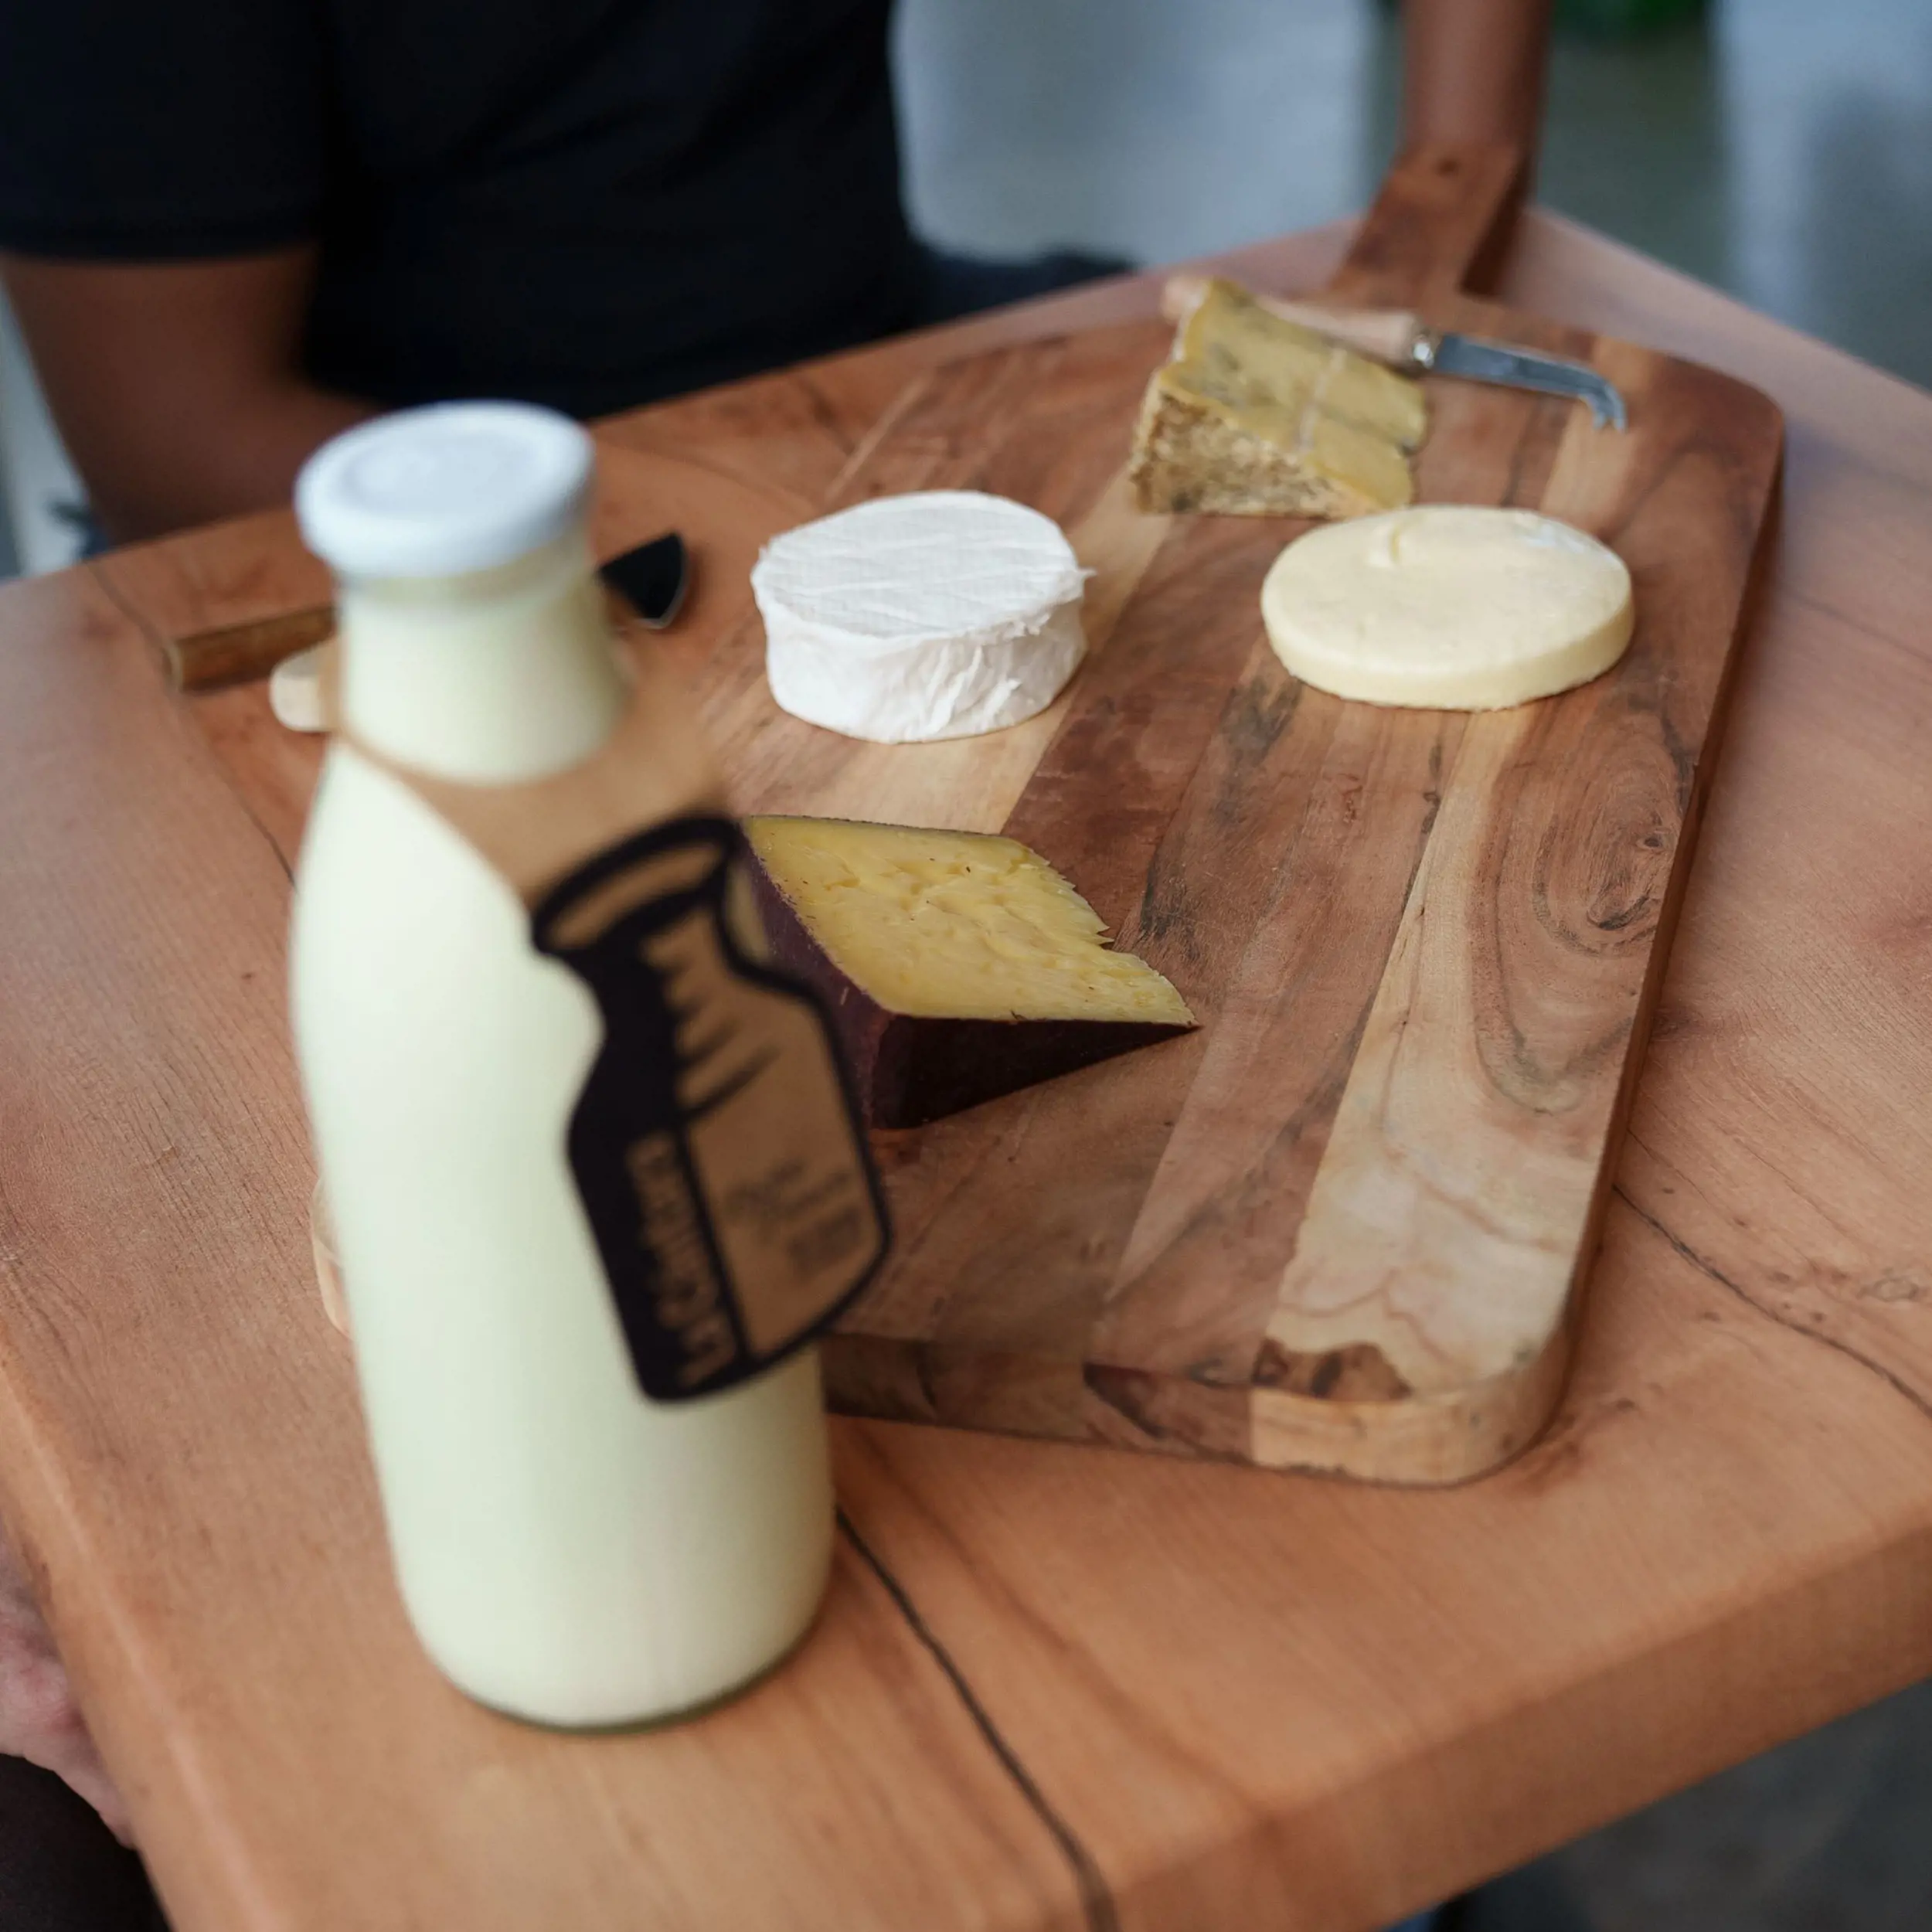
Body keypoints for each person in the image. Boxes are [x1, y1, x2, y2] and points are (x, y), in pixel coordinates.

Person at [0, 0, 1552, 1919]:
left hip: (864, 354)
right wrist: (695, 537)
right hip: (403, 544)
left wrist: (1452, 189)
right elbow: (167, 430)